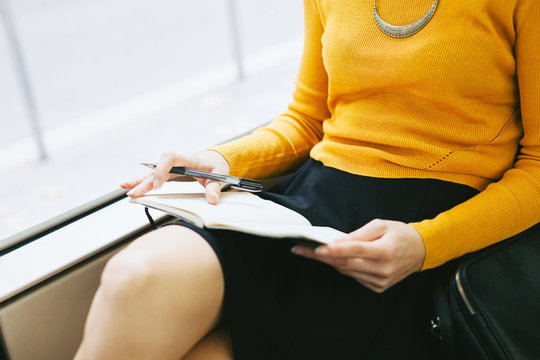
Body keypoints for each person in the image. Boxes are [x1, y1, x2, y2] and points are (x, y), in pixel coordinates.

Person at [74, 0, 540, 359]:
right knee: (139, 276)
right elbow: (307, 121)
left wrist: (427, 244)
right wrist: (220, 159)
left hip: (423, 235)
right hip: (309, 207)